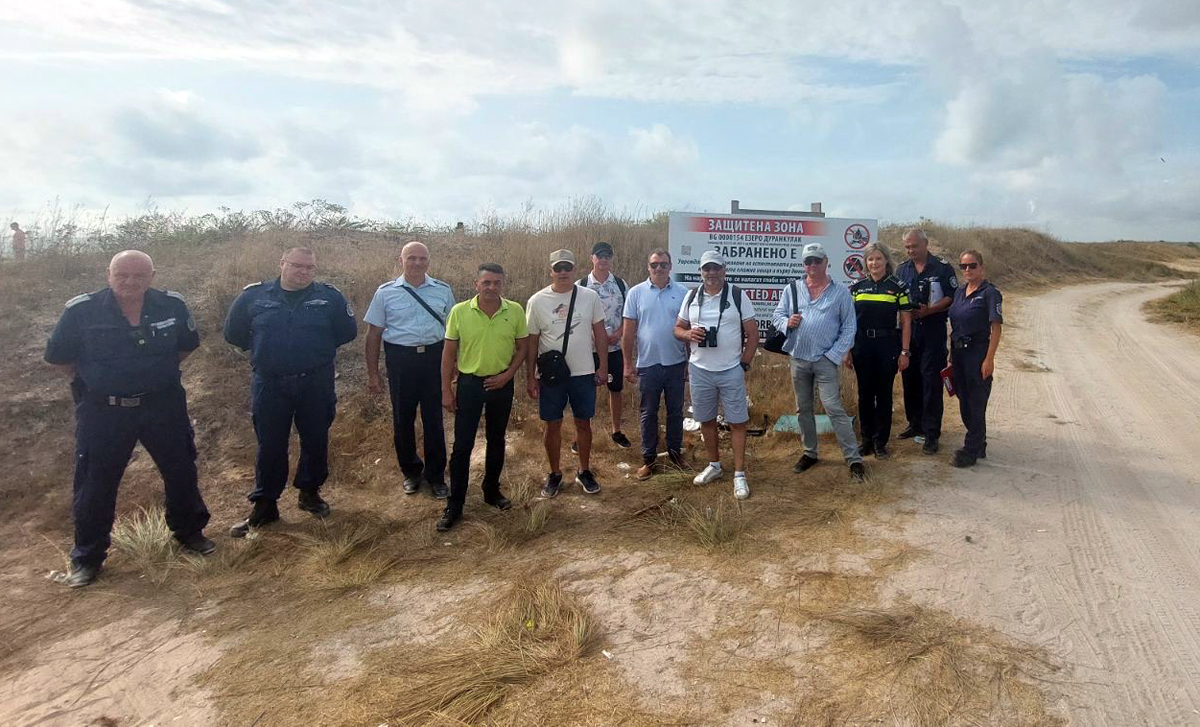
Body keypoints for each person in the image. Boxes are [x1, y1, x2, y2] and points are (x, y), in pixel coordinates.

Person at [44, 250, 213, 587]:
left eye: (139, 276)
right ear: (108, 274)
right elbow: (60, 359)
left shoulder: (172, 305)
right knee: (95, 483)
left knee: (181, 469)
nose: (130, 282)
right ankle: (88, 558)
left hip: (162, 405)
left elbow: (185, 347)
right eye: (122, 275)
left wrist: (152, 376)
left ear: (152, 276)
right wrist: (101, 381)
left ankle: (189, 533)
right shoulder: (81, 310)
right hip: (104, 411)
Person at [222, 247, 358, 537]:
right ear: (282, 264)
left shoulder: (329, 297)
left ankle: (310, 492)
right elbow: (234, 332)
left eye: (309, 268)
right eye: (297, 266)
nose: (303, 272)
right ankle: (265, 504)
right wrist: (267, 351)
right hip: (270, 383)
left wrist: (314, 353)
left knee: (315, 438)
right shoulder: (254, 296)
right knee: (270, 443)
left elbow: (347, 331)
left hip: (315, 381)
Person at [438, 263, 529, 531]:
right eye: (486, 282)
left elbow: (523, 347)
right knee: (462, 446)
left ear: (503, 284)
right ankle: (455, 504)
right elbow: (448, 354)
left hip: (501, 384)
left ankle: (491, 491)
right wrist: (446, 390)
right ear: (476, 284)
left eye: (496, 283)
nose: (491, 287)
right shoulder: (459, 312)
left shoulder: (514, 310)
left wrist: (508, 375)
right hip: (470, 384)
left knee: (497, 440)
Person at [364, 241, 455, 499]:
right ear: (401, 260)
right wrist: (373, 374)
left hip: (434, 358)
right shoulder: (385, 293)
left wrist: (455, 364)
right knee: (403, 419)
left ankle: (436, 476)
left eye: (422, 258)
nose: (417, 263)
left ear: (429, 261)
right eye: (411, 258)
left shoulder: (443, 290)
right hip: (401, 361)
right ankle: (411, 472)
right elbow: (373, 335)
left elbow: (454, 330)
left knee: (434, 419)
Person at [772, 243, 865, 482]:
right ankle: (809, 453)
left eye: (817, 260)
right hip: (798, 358)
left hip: (826, 360)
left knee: (833, 408)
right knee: (803, 409)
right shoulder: (792, 289)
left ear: (826, 262)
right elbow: (777, 315)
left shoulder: (840, 292)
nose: (812, 265)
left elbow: (849, 327)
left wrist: (833, 355)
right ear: (803, 265)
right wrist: (786, 323)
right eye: (808, 261)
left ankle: (853, 459)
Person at [675, 250, 759, 499]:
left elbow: (753, 334)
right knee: (706, 420)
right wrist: (688, 334)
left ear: (724, 270)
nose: (711, 273)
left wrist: (743, 365)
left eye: (716, 268)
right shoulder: (691, 296)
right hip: (700, 369)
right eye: (707, 268)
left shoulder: (737, 295)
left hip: (730, 369)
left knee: (737, 422)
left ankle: (739, 474)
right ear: (700, 272)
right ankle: (714, 466)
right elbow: (677, 328)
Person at [525, 249, 608, 497]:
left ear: (574, 269)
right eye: (558, 268)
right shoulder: (537, 301)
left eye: (567, 268)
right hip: (552, 376)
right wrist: (530, 376)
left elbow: (600, 333)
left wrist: (603, 367)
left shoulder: (589, 297)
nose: (563, 272)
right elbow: (531, 342)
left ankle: (584, 471)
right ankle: (554, 473)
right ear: (550, 271)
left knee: (583, 422)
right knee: (552, 424)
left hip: (583, 372)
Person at [622, 248, 688, 480]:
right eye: (654, 264)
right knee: (648, 413)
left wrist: (689, 362)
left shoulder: (682, 293)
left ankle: (675, 454)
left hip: (676, 363)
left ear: (671, 267)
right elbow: (628, 333)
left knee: (675, 412)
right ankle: (648, 459)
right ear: (648, 267)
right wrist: (627, 364)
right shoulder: (636, 293)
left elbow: (688, 329)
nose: (659, 268)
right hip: (648, 365)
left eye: (663, 264)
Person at [847, 244, 914, 460]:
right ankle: (866, 440)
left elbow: (906, 321)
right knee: (865, 394)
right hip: (862, 346)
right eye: (870, 259)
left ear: (886, 260)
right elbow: (848, 322)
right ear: (865, 263)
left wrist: (905, 351)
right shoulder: (857, 287)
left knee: (884, 394)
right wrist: (847, 350)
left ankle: (880, 442)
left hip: (887, 346)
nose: (874, 263)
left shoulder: (898, 286)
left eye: (878, 258)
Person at [895, 228, 958, 454]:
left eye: (914, 246)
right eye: (907, 247)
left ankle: (932, 434)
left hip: (933, 331)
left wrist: (930, 310)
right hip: (909, 332)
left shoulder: (942, 267)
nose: (911, 251)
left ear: (926, 244)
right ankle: (915, 424)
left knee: (931, 382)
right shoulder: (902, 269)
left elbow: (952, 296)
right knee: (910, 379)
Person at [947, 250, 1003, 468]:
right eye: (964, 266)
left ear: (982, 267)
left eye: (972, 265)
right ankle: (979, 443)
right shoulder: (960, 292)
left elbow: (996, 329)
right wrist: (951, 356)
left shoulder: (990, 293)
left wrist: (989, 360)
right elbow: (955, 326)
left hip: (977, 353)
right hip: (958, 353)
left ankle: (970, 451)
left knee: (976, 402)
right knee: (964, 401)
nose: (968, 270)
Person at [579, 241, 631, 449]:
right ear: (592, 258)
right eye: (599, 256)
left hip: (615, 348)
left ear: (612, 259)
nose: (603, 260)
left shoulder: (620, 284)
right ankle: (582, 434)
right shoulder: (581, 285)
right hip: (589, 349)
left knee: (615, 389)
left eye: (607, 256)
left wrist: (618, 334)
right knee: (585, 391)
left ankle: (616, 431)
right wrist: (594, 335)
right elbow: (575, 317)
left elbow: (629, 314)